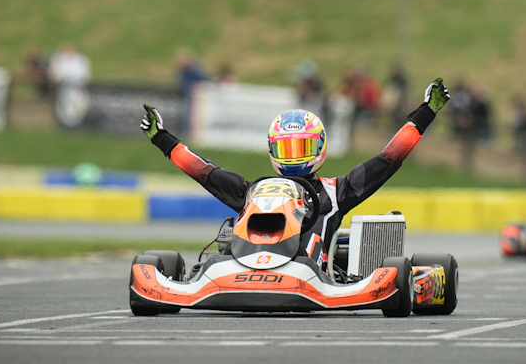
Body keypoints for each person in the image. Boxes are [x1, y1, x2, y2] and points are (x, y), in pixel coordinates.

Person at [138, 78, 451, 271]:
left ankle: (298, 264)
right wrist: (161, 137)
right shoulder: (255, 191)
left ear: (319, 147)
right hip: (247, 268)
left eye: (301, 147)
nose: (294, 157)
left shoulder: (336, 191)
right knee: (155, 265)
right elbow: (205, 172)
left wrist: (425, 113)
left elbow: (388, 159)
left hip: (312, 271)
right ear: (274, 151)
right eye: (287, 149)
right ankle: (243, 263)